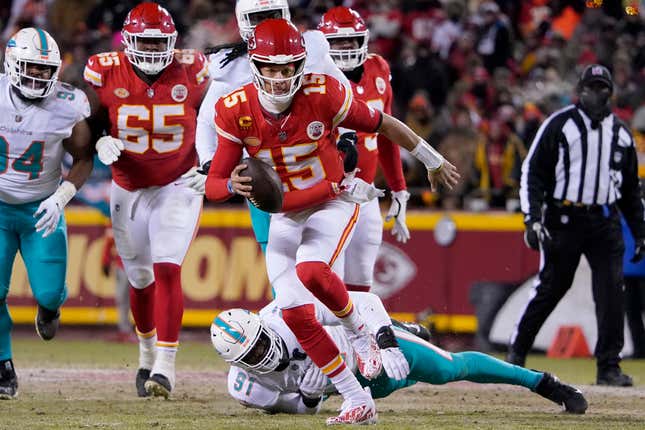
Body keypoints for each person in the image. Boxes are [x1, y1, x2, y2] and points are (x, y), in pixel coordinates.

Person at [204, 19, 459, 424]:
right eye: (270, 68)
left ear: (301, 65)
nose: (279, 77)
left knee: (311, 270)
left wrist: (432, 159)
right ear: (255, 66)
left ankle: (361, 334)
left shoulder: (323, 93)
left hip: (333, 202)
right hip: (286, 209)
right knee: (294, 314)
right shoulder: (234, 110)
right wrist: (233, 184)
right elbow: (214, 184)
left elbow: (382, 123)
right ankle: (356, 399)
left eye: (288, 68)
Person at [83, 2, 209, 398]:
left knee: (168, 268)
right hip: (128, 185)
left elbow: (217, 118)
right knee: (140, 279)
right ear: (127, 41)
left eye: (160, 43)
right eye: (145, 42)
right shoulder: (103, 70)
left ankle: (165, 368)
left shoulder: (194, 70)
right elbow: (86, 119)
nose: (154, 51)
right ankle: (146, 352)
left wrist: (208, 163)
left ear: (173, 41)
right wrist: (99, 135)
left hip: (178, 183)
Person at [210, 292, 588, 416]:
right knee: (390, 385)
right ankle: (408, 331)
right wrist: (309, 397)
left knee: (446, 370)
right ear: (235, 364)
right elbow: (296, 410)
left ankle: (542, 383)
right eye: (250, 355)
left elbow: (364, 302)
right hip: (350, 387)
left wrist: (384, 339)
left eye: (260, 342)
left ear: (262, 326)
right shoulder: (245, 387)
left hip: (362, 347)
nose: (262, 354)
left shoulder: (289, 312)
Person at [508, 64, 645, 387]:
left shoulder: (621, 134)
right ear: (578, 93)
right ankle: (517, 352)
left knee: (611, 291)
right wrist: (533, 218)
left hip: (604, 220)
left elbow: (629, 191)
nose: (596, 96)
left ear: (610, 94)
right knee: (552, 287)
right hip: (563, 217)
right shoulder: (559, 125)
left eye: (602, 90)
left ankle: (609, 366)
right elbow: (533, 173)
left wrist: (640, 231)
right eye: (590, 89)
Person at [188, 0, 354, 255]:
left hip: (311, 161)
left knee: (322, 247)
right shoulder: (231, 68)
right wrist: (210, 162)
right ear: (242, 22)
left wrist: (347, 138)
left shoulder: (311, 49)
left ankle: (335, 293)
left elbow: (345, 99)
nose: (266, 23)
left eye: (272, 15)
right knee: (277, 250)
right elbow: (207, 121)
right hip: (265, 167)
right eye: (258, 17)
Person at [0, 28, 94, 399]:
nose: (39, 77)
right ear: (11, 64)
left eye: (45, 70)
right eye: (31, 68)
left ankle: (50, 309)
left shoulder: (68, 104)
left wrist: (62, 196)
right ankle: (3, 365)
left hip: (42, 210)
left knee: (50, 292)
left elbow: (84, 157)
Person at [318, 6, 409, 295]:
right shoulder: (315, 76)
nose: (345, 48)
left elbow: (387, 135)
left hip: (366, 194)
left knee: (361, 283)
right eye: (337, 42)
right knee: (329, 283)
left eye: (350, 40)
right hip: (327, 194)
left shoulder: (378, 68)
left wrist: (399, 189)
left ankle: (359, 340)